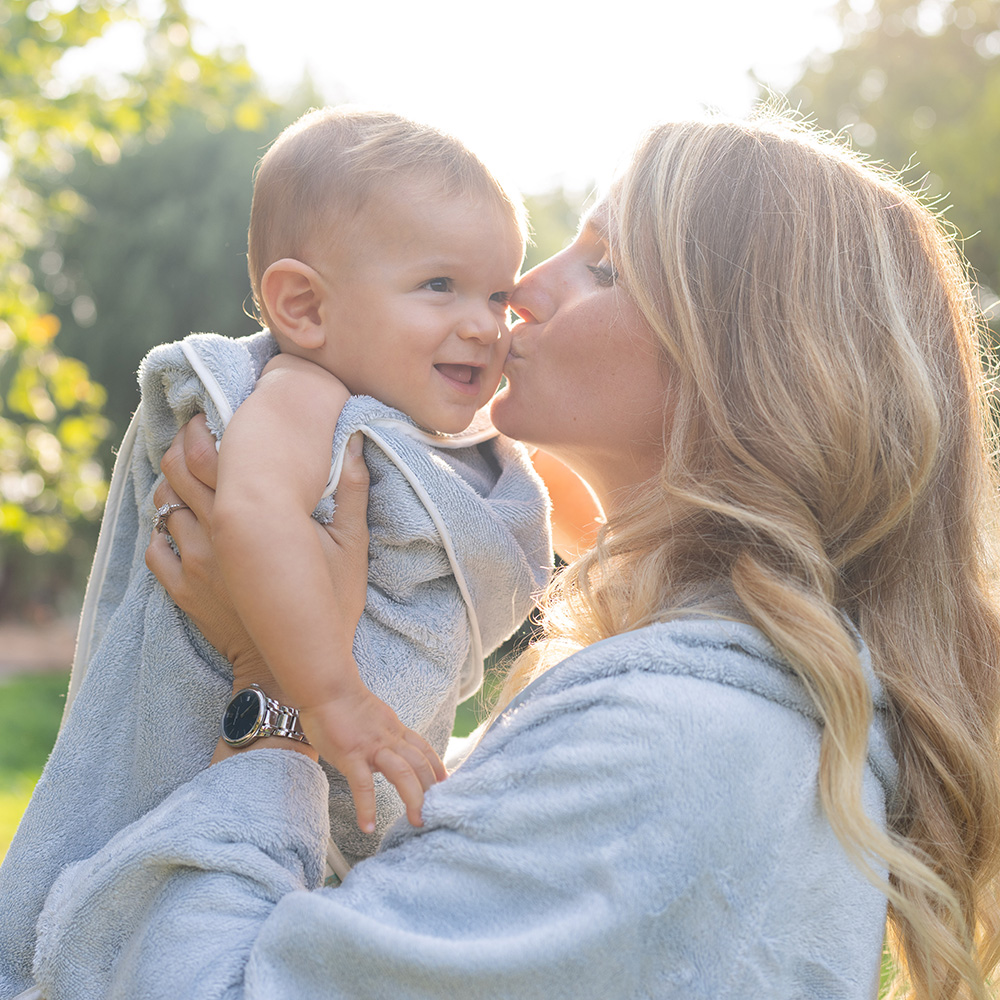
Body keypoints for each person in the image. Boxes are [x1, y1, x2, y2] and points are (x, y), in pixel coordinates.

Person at [21, 109, 1000, 1000]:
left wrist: (271, 690)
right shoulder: (728, 707)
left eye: (604, 268)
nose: (520, 294)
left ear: (748, 370)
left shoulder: (674, 739)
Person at [0, 108, 551, 995]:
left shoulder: (442, 435)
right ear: (305, 306)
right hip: (262, 746)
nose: (487, 325)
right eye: (440, 286)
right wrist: (332, 697)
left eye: (498, 294)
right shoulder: (298, 391)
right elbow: (252, 512)